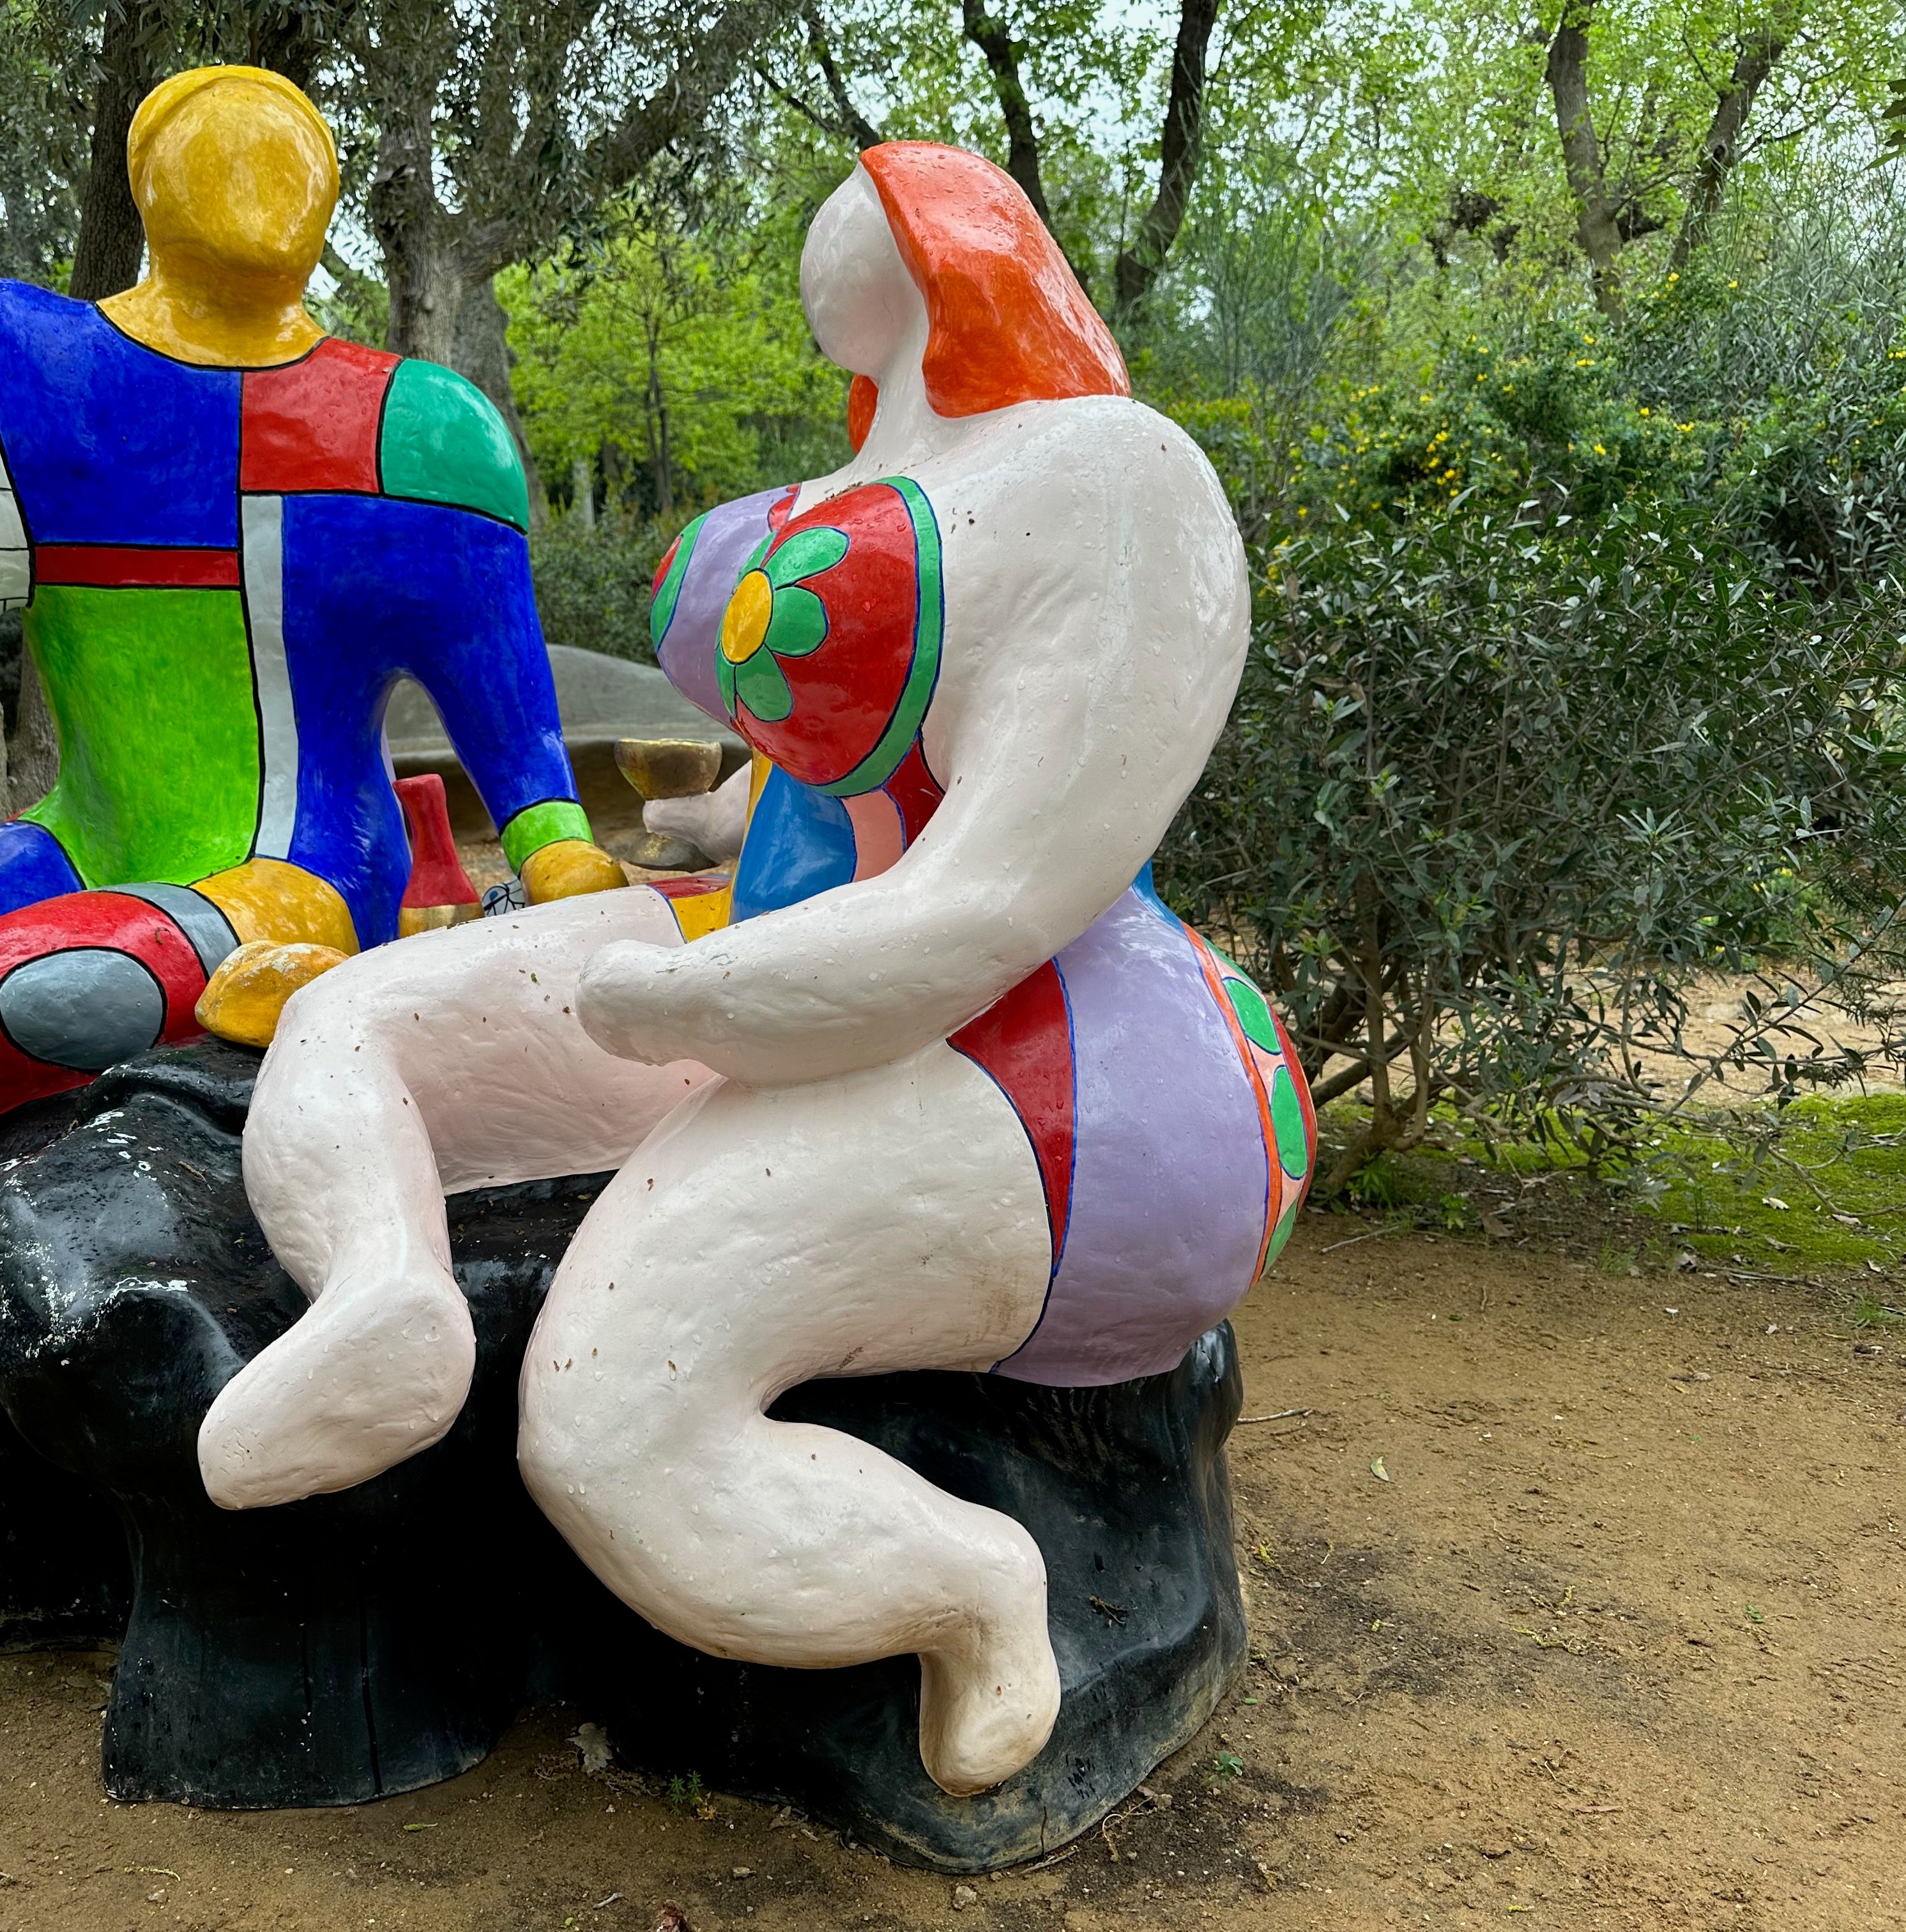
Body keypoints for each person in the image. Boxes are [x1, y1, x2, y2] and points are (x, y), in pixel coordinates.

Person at [206, 143, 1309, 1797]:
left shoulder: (1112, 475)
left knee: (607, 1420)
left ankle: (975, 1594)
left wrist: (698, 1003)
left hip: (1049, 1066)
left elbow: (994, 898)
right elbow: (827, 786)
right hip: (772, 971)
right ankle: (387, 1299)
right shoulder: (884, 467)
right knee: (352, 1018)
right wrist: (706, 851)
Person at [0, 66, 621, 1368]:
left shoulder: (426, 430)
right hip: (89, 836)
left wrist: (564, 862)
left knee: (74, 986)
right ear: (146, 184)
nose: (254, 173)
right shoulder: (11, 366)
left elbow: (522, 751)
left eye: (285, 151)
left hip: (298, 875)